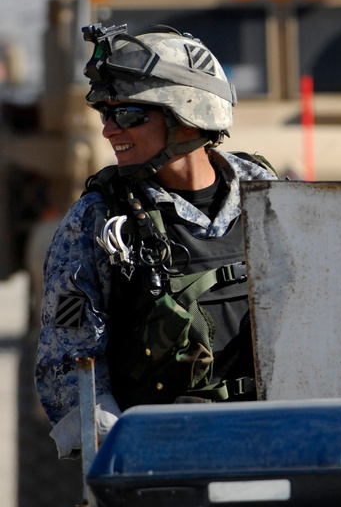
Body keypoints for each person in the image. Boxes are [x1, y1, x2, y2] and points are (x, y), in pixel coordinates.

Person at [35, 24, 277, 459]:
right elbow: (69, 367)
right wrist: (123, 464)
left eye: (128, 114)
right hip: (169, 459)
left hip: (286, 440)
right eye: (105, 114)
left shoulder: (273, 198)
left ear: (189, 115)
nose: (109, 131)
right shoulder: (98, 221)